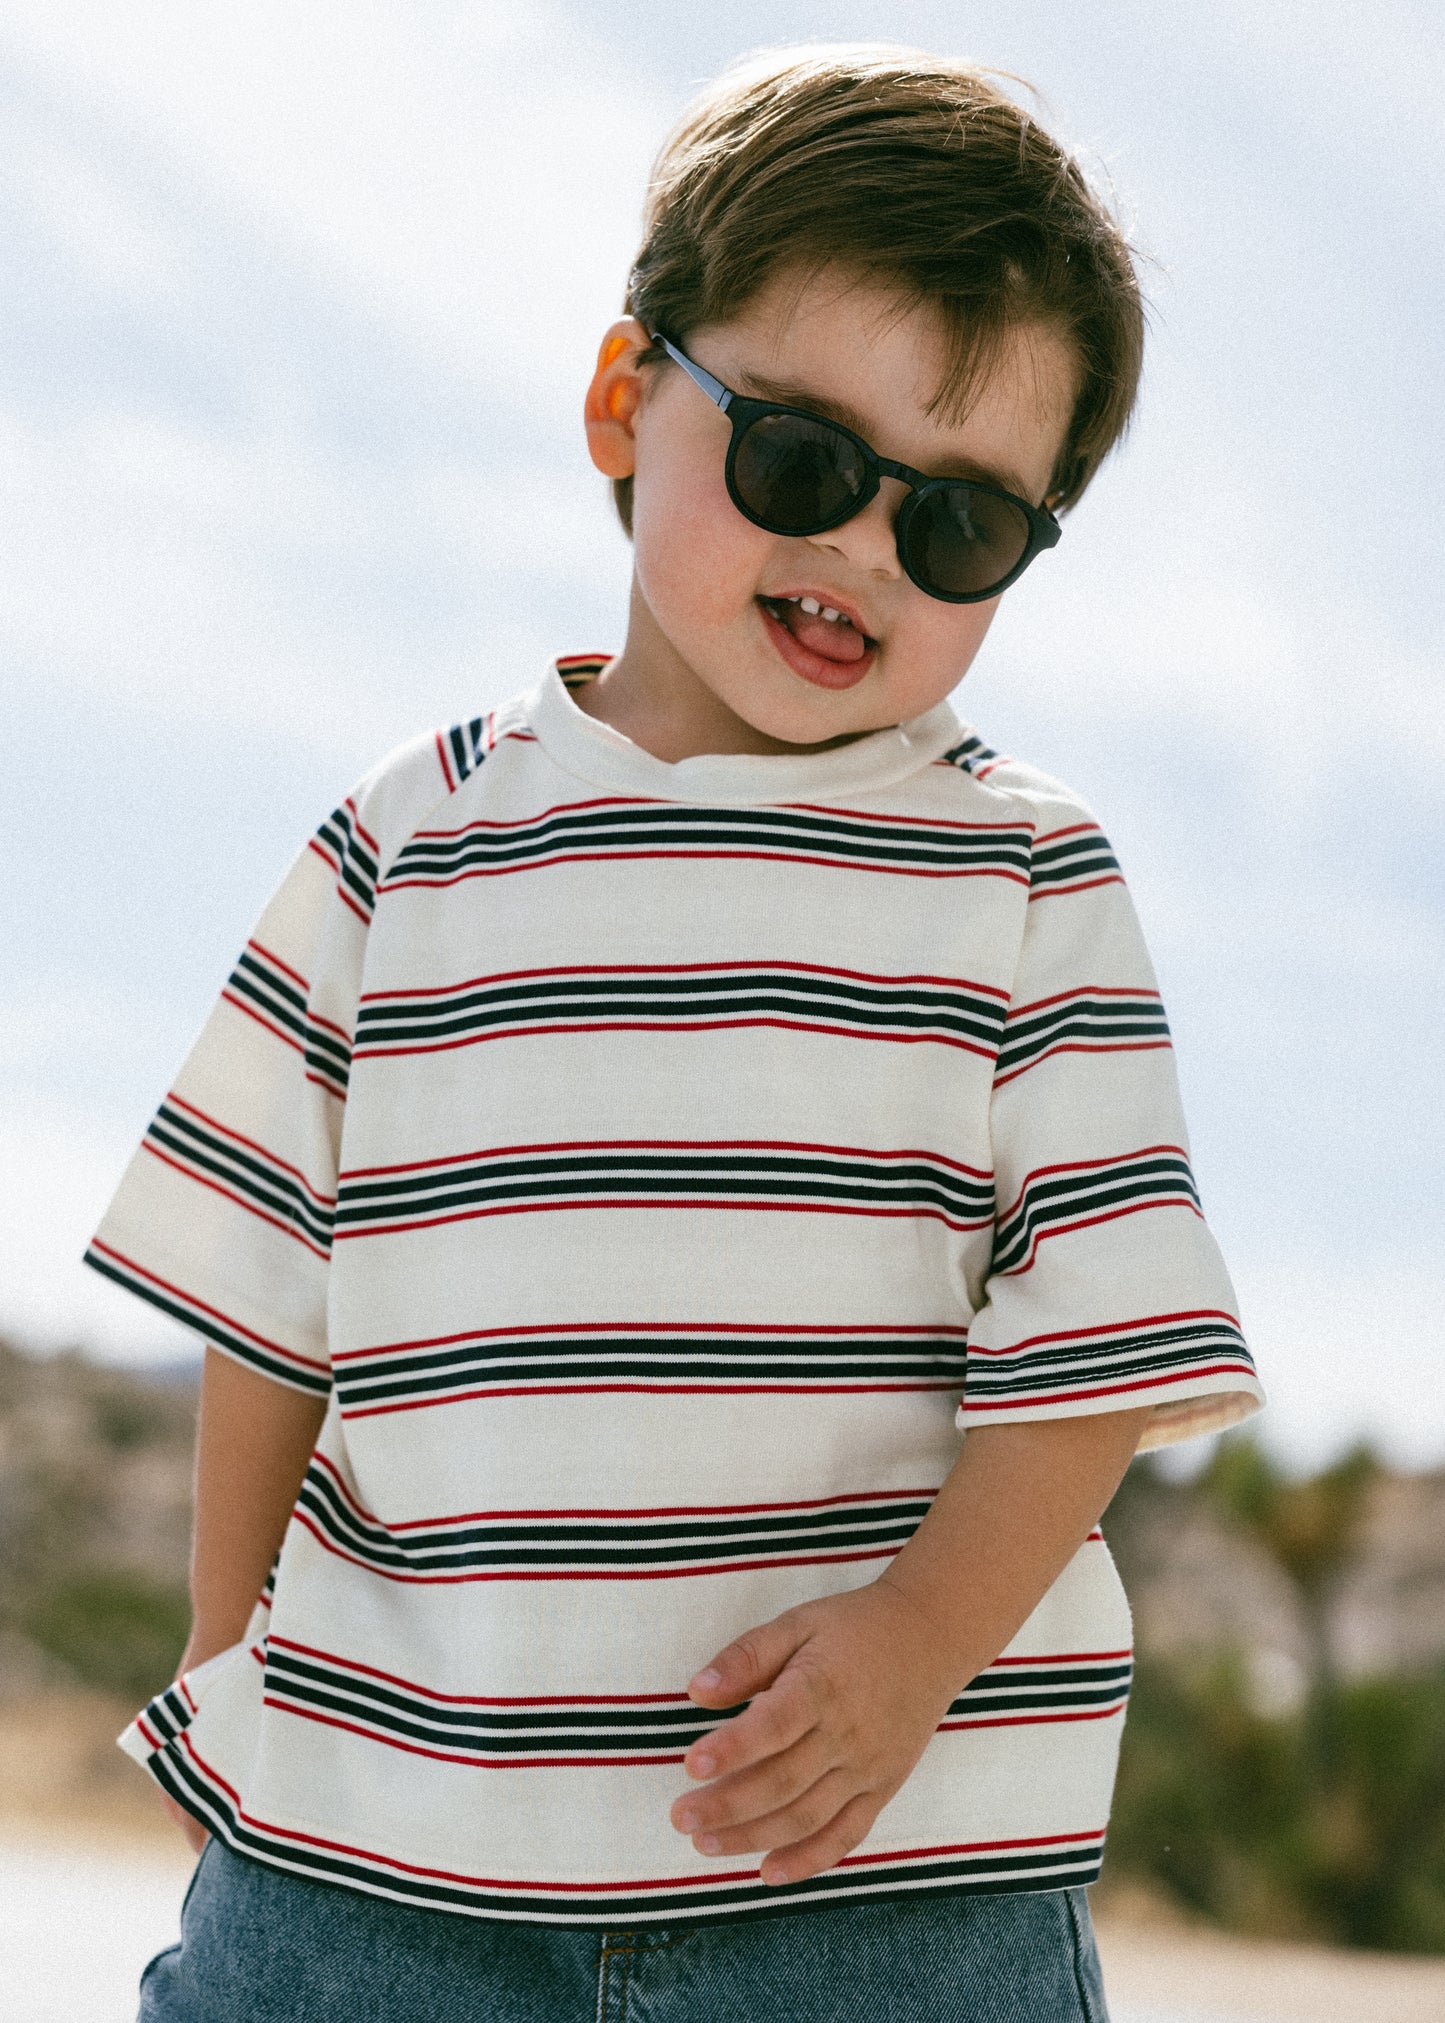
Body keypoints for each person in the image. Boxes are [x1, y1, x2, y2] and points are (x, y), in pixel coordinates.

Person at [88, 42, 1264, 2022]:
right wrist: (229, 1663)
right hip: (380, 1867)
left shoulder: (1019, 875)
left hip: (880, 1877)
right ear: (627, 399)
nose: (863, 549)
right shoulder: (408, 842)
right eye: (801, 459)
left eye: (960, 526)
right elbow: (268, 1299)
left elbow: (1095, 1340)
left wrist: (918, 1639)